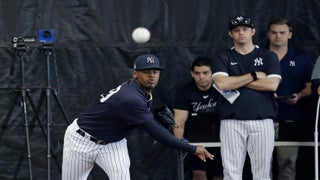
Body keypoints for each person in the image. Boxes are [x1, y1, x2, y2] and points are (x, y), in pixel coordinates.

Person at [61, 54, 214, 180]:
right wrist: (191, 148)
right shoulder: (130, 98)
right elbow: (155, 132)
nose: (152, 75)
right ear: (135, 73)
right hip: (82, 140)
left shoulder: (142, 91)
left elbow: (145, 119)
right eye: (146, 71)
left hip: (113, 143)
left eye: (155, 71)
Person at [211, 15, 282, 180]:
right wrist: (253, 75)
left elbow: (272, 85)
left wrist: (235, 80)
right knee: (231, 173)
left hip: (262, 120)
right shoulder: (222, 56)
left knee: (262, 173)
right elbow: (221, 84)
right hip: (231, 121)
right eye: (236, 30)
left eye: (245, 29)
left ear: (253, 31)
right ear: (231, 34)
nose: (241, 33)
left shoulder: (268, 56)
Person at [267, 18, 314, 180]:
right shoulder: (258, 56)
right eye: (274, 32)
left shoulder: (301, 58)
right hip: (262, 117)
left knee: (287, 164)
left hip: (290, 118)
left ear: (290, 35)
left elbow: (310, 86)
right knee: (261, 164)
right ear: (268, 34)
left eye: (282, 33)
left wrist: (298, 96)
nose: (277, 36)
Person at [173, 57, 223, 180]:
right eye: (197, 73)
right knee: (198, 174)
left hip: (222, 142)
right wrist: (179, 143)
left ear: (212, 73)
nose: (201, 77)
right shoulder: (185, 92)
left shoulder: (223, 89)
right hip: (197, 144)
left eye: (205, 73)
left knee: (220, 176)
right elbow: (179, 122)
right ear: (192, 74)